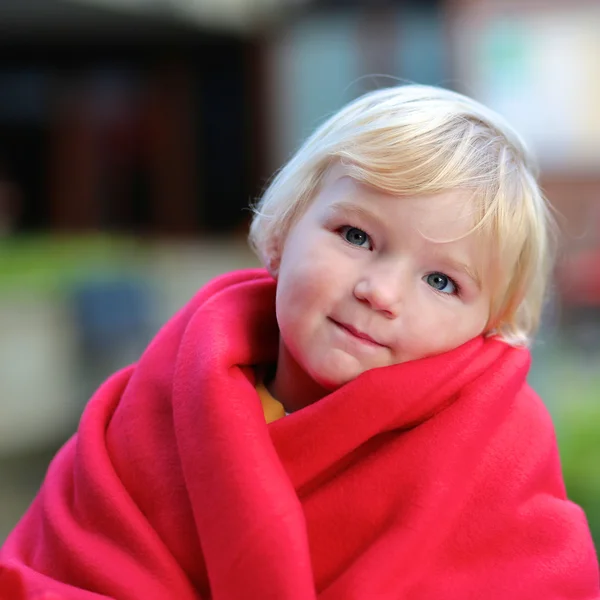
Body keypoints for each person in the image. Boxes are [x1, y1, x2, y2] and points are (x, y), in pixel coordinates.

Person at [1, 85, 598, 600]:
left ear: (488, 328)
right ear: (284, 230)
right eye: (356, 235)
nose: (381, 292)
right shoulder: (147, 408)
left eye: (441, 281)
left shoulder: (498, 460)